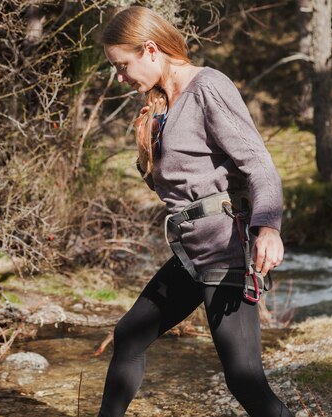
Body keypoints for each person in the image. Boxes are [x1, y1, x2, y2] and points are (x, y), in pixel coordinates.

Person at [97, 6, 294, 417]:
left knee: (244, 380)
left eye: (122, 65)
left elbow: (259, 164)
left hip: (226, 254)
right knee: (129, 335)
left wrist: (269, 228)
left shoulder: (208, 87)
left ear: (150, 49)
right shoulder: (163, 105)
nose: (120, 77)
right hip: (192, 256)